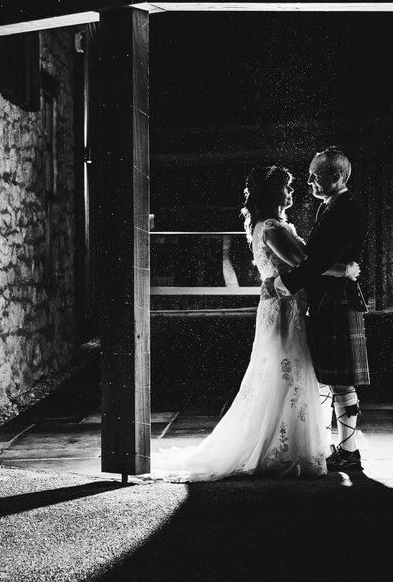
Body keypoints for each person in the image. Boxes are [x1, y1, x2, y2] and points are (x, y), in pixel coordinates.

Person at [147, 164, 359, 482]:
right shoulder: (272, 227)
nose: (291, 192)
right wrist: (346, 271)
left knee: (285, 374)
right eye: (286, 188)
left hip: (283, 306)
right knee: (287, 373)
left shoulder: (270, 225)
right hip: (285, 311)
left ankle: (287, 442)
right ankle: (284, 448)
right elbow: (306, 264)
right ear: (274, 192)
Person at [268, 147, 370, 471]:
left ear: (336, 176)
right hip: (328, 301)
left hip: (338, 300)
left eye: (316, 174)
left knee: (340, 380)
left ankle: (349, 451)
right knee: (327, 377)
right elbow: (323, 261)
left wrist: (284, 284)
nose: (310, 180)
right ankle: (334, 446)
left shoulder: (347, 211)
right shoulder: (329, 209)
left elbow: (320, 261)